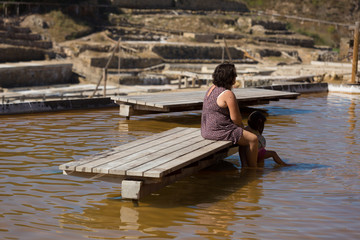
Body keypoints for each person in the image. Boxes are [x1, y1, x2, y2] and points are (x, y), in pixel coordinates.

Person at [201, 62, 259, 168]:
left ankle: (245, 165)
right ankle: (252, 170)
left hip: (206, 130)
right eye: (234, 75)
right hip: (219, 131)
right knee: (253, 139)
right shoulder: (227, 94)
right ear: (230, 77)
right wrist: (241, 127)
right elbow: (236, 118)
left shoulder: (211, 88)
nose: (236, 77)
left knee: (244, 135)